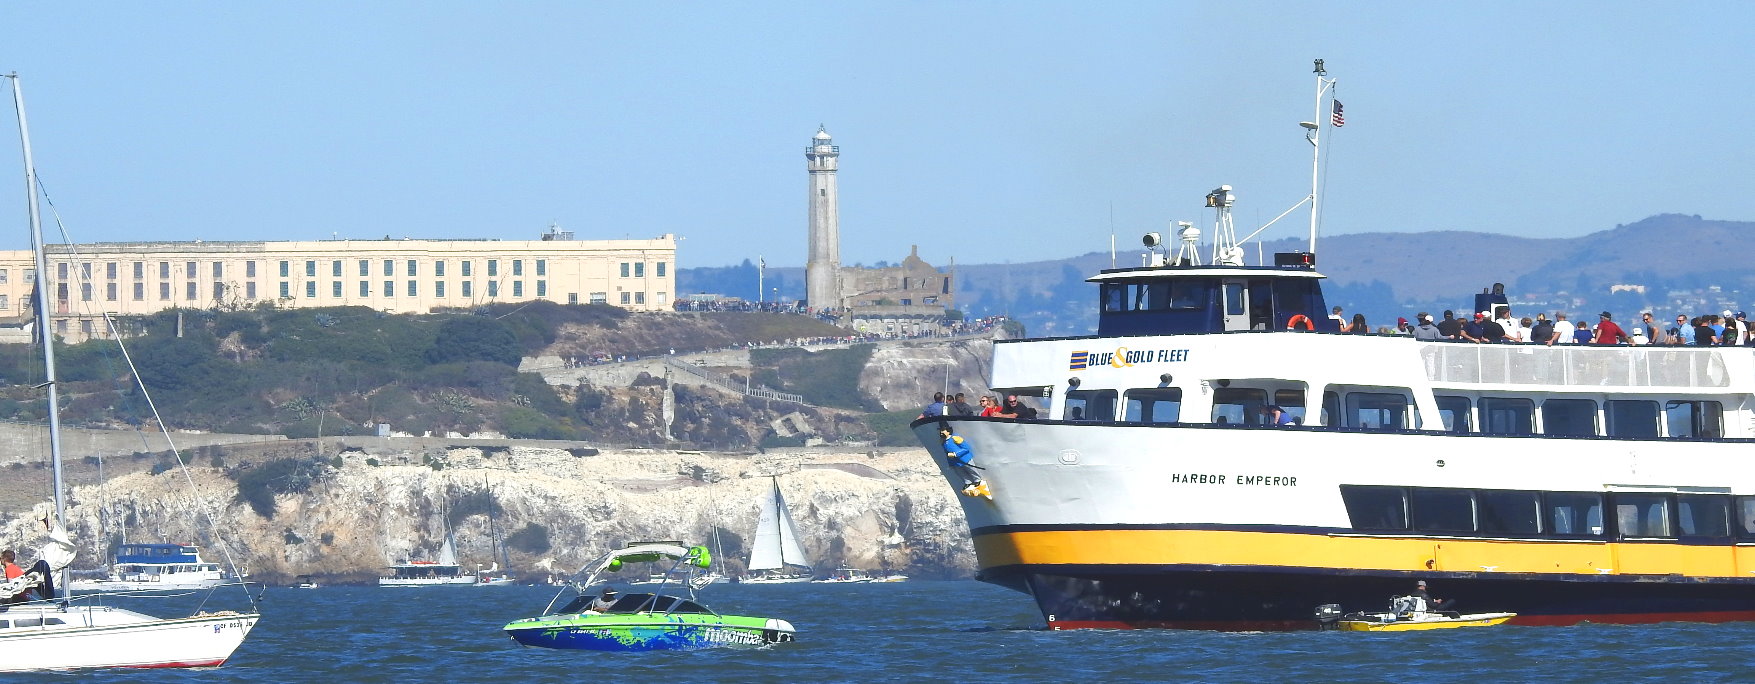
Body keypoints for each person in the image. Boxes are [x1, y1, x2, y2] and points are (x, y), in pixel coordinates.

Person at [939, 425, 989, 498]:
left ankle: (977, 480)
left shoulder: (955, 438)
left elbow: (966, 448)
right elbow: (947, 453)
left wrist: (956, 454)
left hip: (964, 458)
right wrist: (950, 463)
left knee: (971, 469)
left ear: (948, 431)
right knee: (960, 472)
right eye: (940, 431)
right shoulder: (944, 443)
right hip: (955, 462)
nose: (941, 432)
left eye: (943, 430)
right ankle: (968, 482)